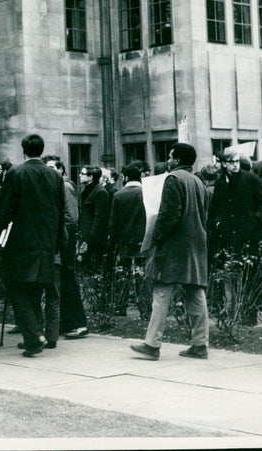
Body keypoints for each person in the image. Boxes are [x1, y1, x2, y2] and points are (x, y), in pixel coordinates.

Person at [130, 143, 210, 361]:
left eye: (171, 156)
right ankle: (200, 344)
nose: (168, 160)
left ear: (176, 159)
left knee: (161, 293)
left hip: (173, 247)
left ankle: (152, 344)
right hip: (195, 245)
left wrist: (154, 238)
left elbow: (168, 215)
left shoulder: (173, 179)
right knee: (196, 292)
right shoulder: (198, 182)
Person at [0, 134, 65, 358]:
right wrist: (58, 241)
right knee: (35, 289)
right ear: (41, 150)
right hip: (47, 243)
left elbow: (5, 209)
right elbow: (60, 212)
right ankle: (34, 336)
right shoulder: (54, 175)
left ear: (23, 150)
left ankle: (34, 335)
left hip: (21, 243)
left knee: (16, 288)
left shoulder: (16, 173)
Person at [207, 148, 262, 325]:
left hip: (249, 234)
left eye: (237, 162)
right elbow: (215, 208)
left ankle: (250, 315)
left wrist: (255, 220)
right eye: (231, 162)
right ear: (224, 164)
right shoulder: (221, 183)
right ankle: (231, 310)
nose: (235, 165)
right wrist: (218, 223)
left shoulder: (250, 178)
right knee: (230, 273)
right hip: (229, 235)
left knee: (250, 274)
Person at [44, 156, 86, 340]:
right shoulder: (56, 185)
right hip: (61, 240)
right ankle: (67, 322)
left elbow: (71, 217)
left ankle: (76, 323)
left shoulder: (65, 186)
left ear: (61, 169)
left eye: (53, 167)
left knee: (68, 280)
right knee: (63, 281)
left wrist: (64, 238)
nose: (50, 171)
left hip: (65, 242)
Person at [109, 162, 151, 320]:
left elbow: (113, 223)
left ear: (125, 177)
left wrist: (112, 243)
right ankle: (145, 308)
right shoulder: (146, 193)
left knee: (122, 274)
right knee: (142, 275)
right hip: (143, 239)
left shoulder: (118, 195)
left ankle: (121, 306)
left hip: (124, 240)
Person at [78, 165, 110, 273]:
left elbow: (100, 217)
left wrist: (91, 238)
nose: (79, 176)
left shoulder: (100, 192)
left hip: (94, 239)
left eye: (82, 174)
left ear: (91, 177)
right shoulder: (87, 190)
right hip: (86, 236)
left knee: (93, 268)